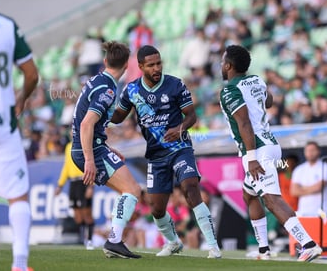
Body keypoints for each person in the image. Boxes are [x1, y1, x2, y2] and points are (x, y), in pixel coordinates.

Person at [112, 45, 221, 258]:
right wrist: (99, 112)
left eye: (158, 63)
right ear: (141, 66)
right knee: (157, 209)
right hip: (155, 155)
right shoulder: (132, 90)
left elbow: (191, 116)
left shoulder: (175, 84)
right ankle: (173, 243)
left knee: (190, 187)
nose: (156, 68)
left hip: (180, 148)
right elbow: (118, 116)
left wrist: (180, 129)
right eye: (151, 65)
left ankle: (213, 246)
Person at [219, 45, 322, 262]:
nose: (221, 65)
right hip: (271, 144)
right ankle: (264, 250)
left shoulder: (229, 91)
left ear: (228, 65)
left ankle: (308, 244)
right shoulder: (257, 80)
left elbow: (244, 122)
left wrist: (253, 157)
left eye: (222, 61)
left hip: (256, 150)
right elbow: (269, 101)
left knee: (272, 200)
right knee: (249, 194)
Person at [70, 41, 142, 259]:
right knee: (132, 190)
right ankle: (114, 240)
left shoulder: (96, 80)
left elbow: (89, 123)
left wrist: (107, 148)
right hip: (89, 150)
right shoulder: (108, 89)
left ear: (105, 61)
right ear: (127, 66)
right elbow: (86, 124)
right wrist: (90, 160)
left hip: (92, 147)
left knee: (127, 191)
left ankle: (114, 239)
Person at [0, 9, 39, 271]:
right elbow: (31, 74)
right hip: (0, 126)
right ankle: (19, 264)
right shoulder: (5, 25)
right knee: (18, 198)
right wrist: (21, 99)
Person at [55, 140, 95, 250]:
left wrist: (91, 186)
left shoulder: (86, 143)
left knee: (87, 213)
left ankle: (90, 240)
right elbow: (66, 165)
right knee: (77, 214)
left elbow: (92, 163)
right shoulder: (68, 146)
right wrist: (60, 185)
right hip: (73, 182)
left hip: (84, 180)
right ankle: (81, 239)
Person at [290, 141, 327, 215]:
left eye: (313, 150)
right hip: (303, 211)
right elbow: (294, 191)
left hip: (322, 212)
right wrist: (312, 188)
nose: (310, 153)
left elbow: (319, 187)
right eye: (308, 150)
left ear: (318, 151)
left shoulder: (325, 167)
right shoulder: (299, 169)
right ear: (304, 152)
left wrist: (302, 188)